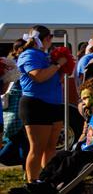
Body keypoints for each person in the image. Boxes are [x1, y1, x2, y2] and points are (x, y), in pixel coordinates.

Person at [10, 74, 93, 194]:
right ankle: (40, 182)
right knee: (61, 155)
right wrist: (81, 136)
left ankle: (51, 184)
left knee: (73, 159)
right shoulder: (92, 117)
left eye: (86, 98)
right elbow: (86, 137)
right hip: (85, 153)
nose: (84, 103)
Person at [17, 26, 69, 184]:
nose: (50, 41)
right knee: (37, 147)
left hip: (53, 103)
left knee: (51, 147)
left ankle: (48, 179)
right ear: (44, 39)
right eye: (49, 38)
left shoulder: (44, 55)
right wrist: (58, 64)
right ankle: (32, 182)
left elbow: (52, 80)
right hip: (36, 104)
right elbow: (38, 77)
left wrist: (61, 69)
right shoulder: (28, 54)